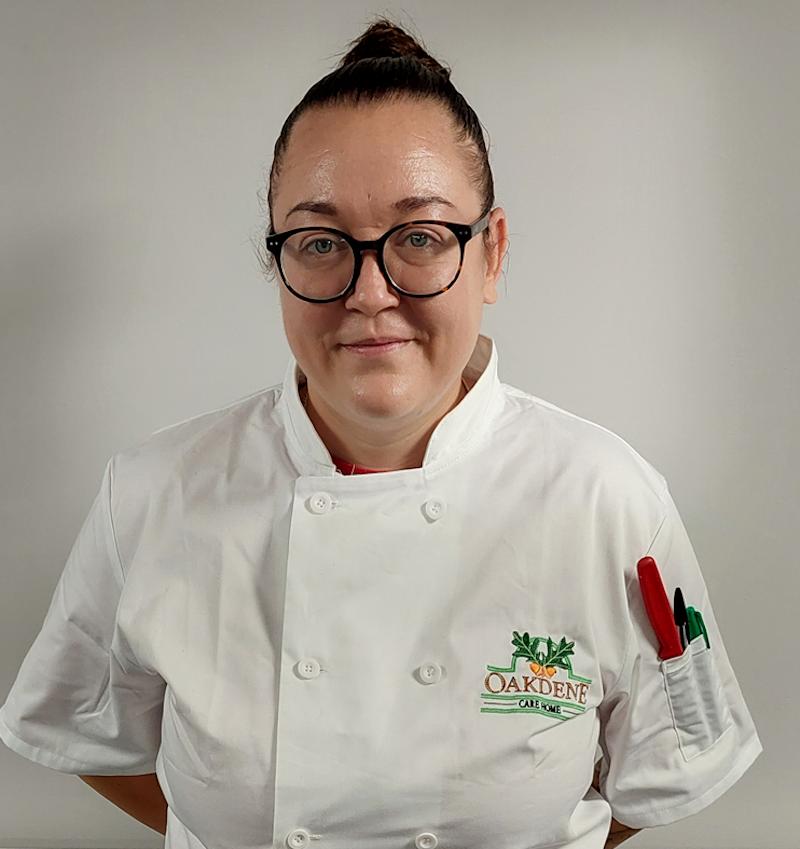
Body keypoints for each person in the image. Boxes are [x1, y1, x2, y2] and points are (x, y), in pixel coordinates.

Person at [0, 15, 762, 849]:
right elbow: (88, 731)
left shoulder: (607, 498)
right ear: (278, 261)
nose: (369, 292)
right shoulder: (151, 494)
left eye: (422, 237)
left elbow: (665, 768)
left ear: (492, 253)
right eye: (321, 241)